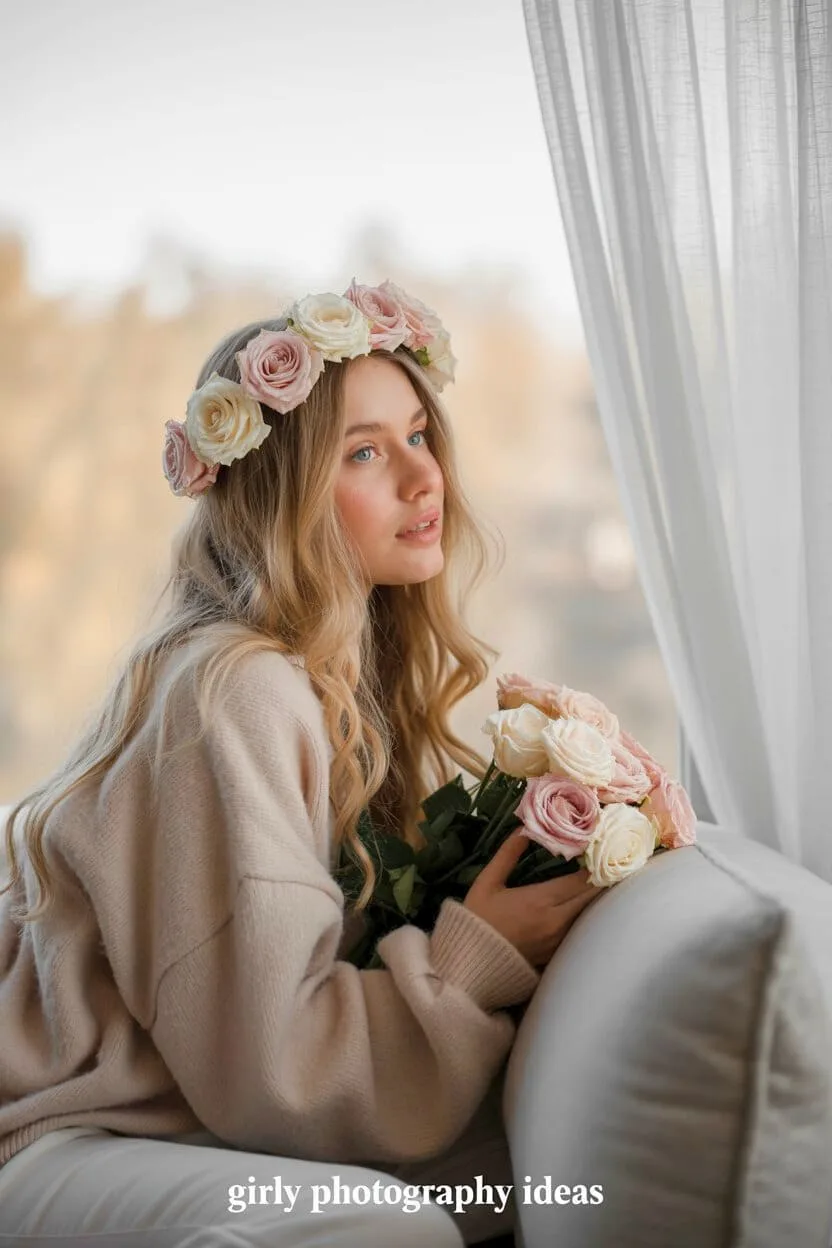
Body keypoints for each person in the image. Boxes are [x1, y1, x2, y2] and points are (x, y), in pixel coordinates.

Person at [0, 280, 599, 1246]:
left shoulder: (347, 684)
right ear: (285, 496)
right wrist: (465, 964)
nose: (423, 477)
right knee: (379, 1227)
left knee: (529, 1184)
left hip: (171, 1116)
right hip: (56, 1126)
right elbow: (269, 1065)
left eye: (419, 433)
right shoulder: (236, 686)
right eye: (365, 452)